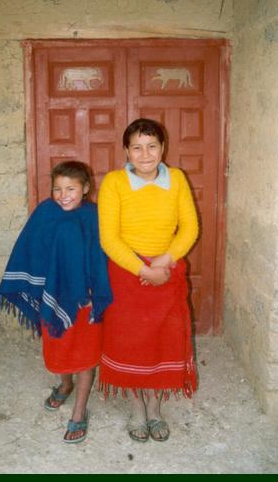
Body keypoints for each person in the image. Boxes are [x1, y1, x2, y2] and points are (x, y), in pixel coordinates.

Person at [97, 118, 199, 443]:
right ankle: (136, 409)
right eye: (137, 147)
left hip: (167, 269)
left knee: (164, 340)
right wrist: (144, 271)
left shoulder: (178, 179)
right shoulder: (114, 183)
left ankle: (155, 408)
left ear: (163, 148)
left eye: (152, 146)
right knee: (132, 342)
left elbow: (190, 228)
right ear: (126, 151)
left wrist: (165, 261)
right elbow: (109, 239)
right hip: (128, 274)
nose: (145, 154)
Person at [0, 161, 112, 444]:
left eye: (71, 188)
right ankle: (65, 383)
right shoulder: (45, 213)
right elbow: (29, 247)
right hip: (52, 297)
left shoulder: (94, 216)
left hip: (84, 301)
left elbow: (102, 257)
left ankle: (79, 412)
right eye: (57, 189)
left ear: (85, 189)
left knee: (85, 355)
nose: (63, 195)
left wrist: (93, 292)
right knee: (58, 350)